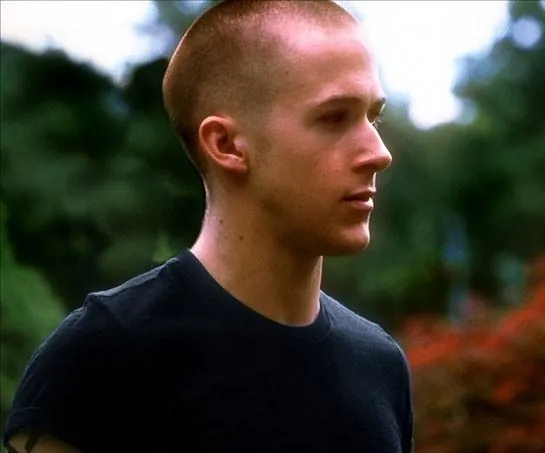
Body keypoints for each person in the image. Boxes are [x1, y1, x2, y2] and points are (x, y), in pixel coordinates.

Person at [3, 1, 413, 452]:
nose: (380, 153)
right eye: (334, 118)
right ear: (226, 144)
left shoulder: (380, 366)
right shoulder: (102, 357)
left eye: (373, 117)